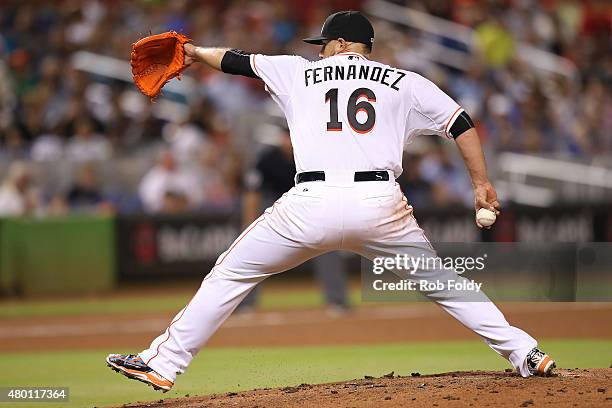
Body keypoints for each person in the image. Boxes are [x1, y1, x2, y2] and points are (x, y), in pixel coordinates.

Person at [107, 11, 555, 392]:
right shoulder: (406, 81)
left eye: (324, 44)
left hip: (310, 203)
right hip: (382, 204)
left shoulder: (298, 71)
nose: (319, 50)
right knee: (447, 286)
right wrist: (481, 184)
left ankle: (163, 364)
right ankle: (525, 353)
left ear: (341, 43)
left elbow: (235, 61)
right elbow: (461, 122)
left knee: (231, 272)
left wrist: (192, 52)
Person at [241, 123, 350, 314]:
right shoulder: (268, 159)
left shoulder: (312, 158)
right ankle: (245, 304)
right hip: (275, 211)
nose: (289, 142)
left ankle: (337, 300)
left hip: (308, 209)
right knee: (251, 252)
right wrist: (250, 223)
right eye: (286, 137)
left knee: (328, 248)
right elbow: (253, 193)